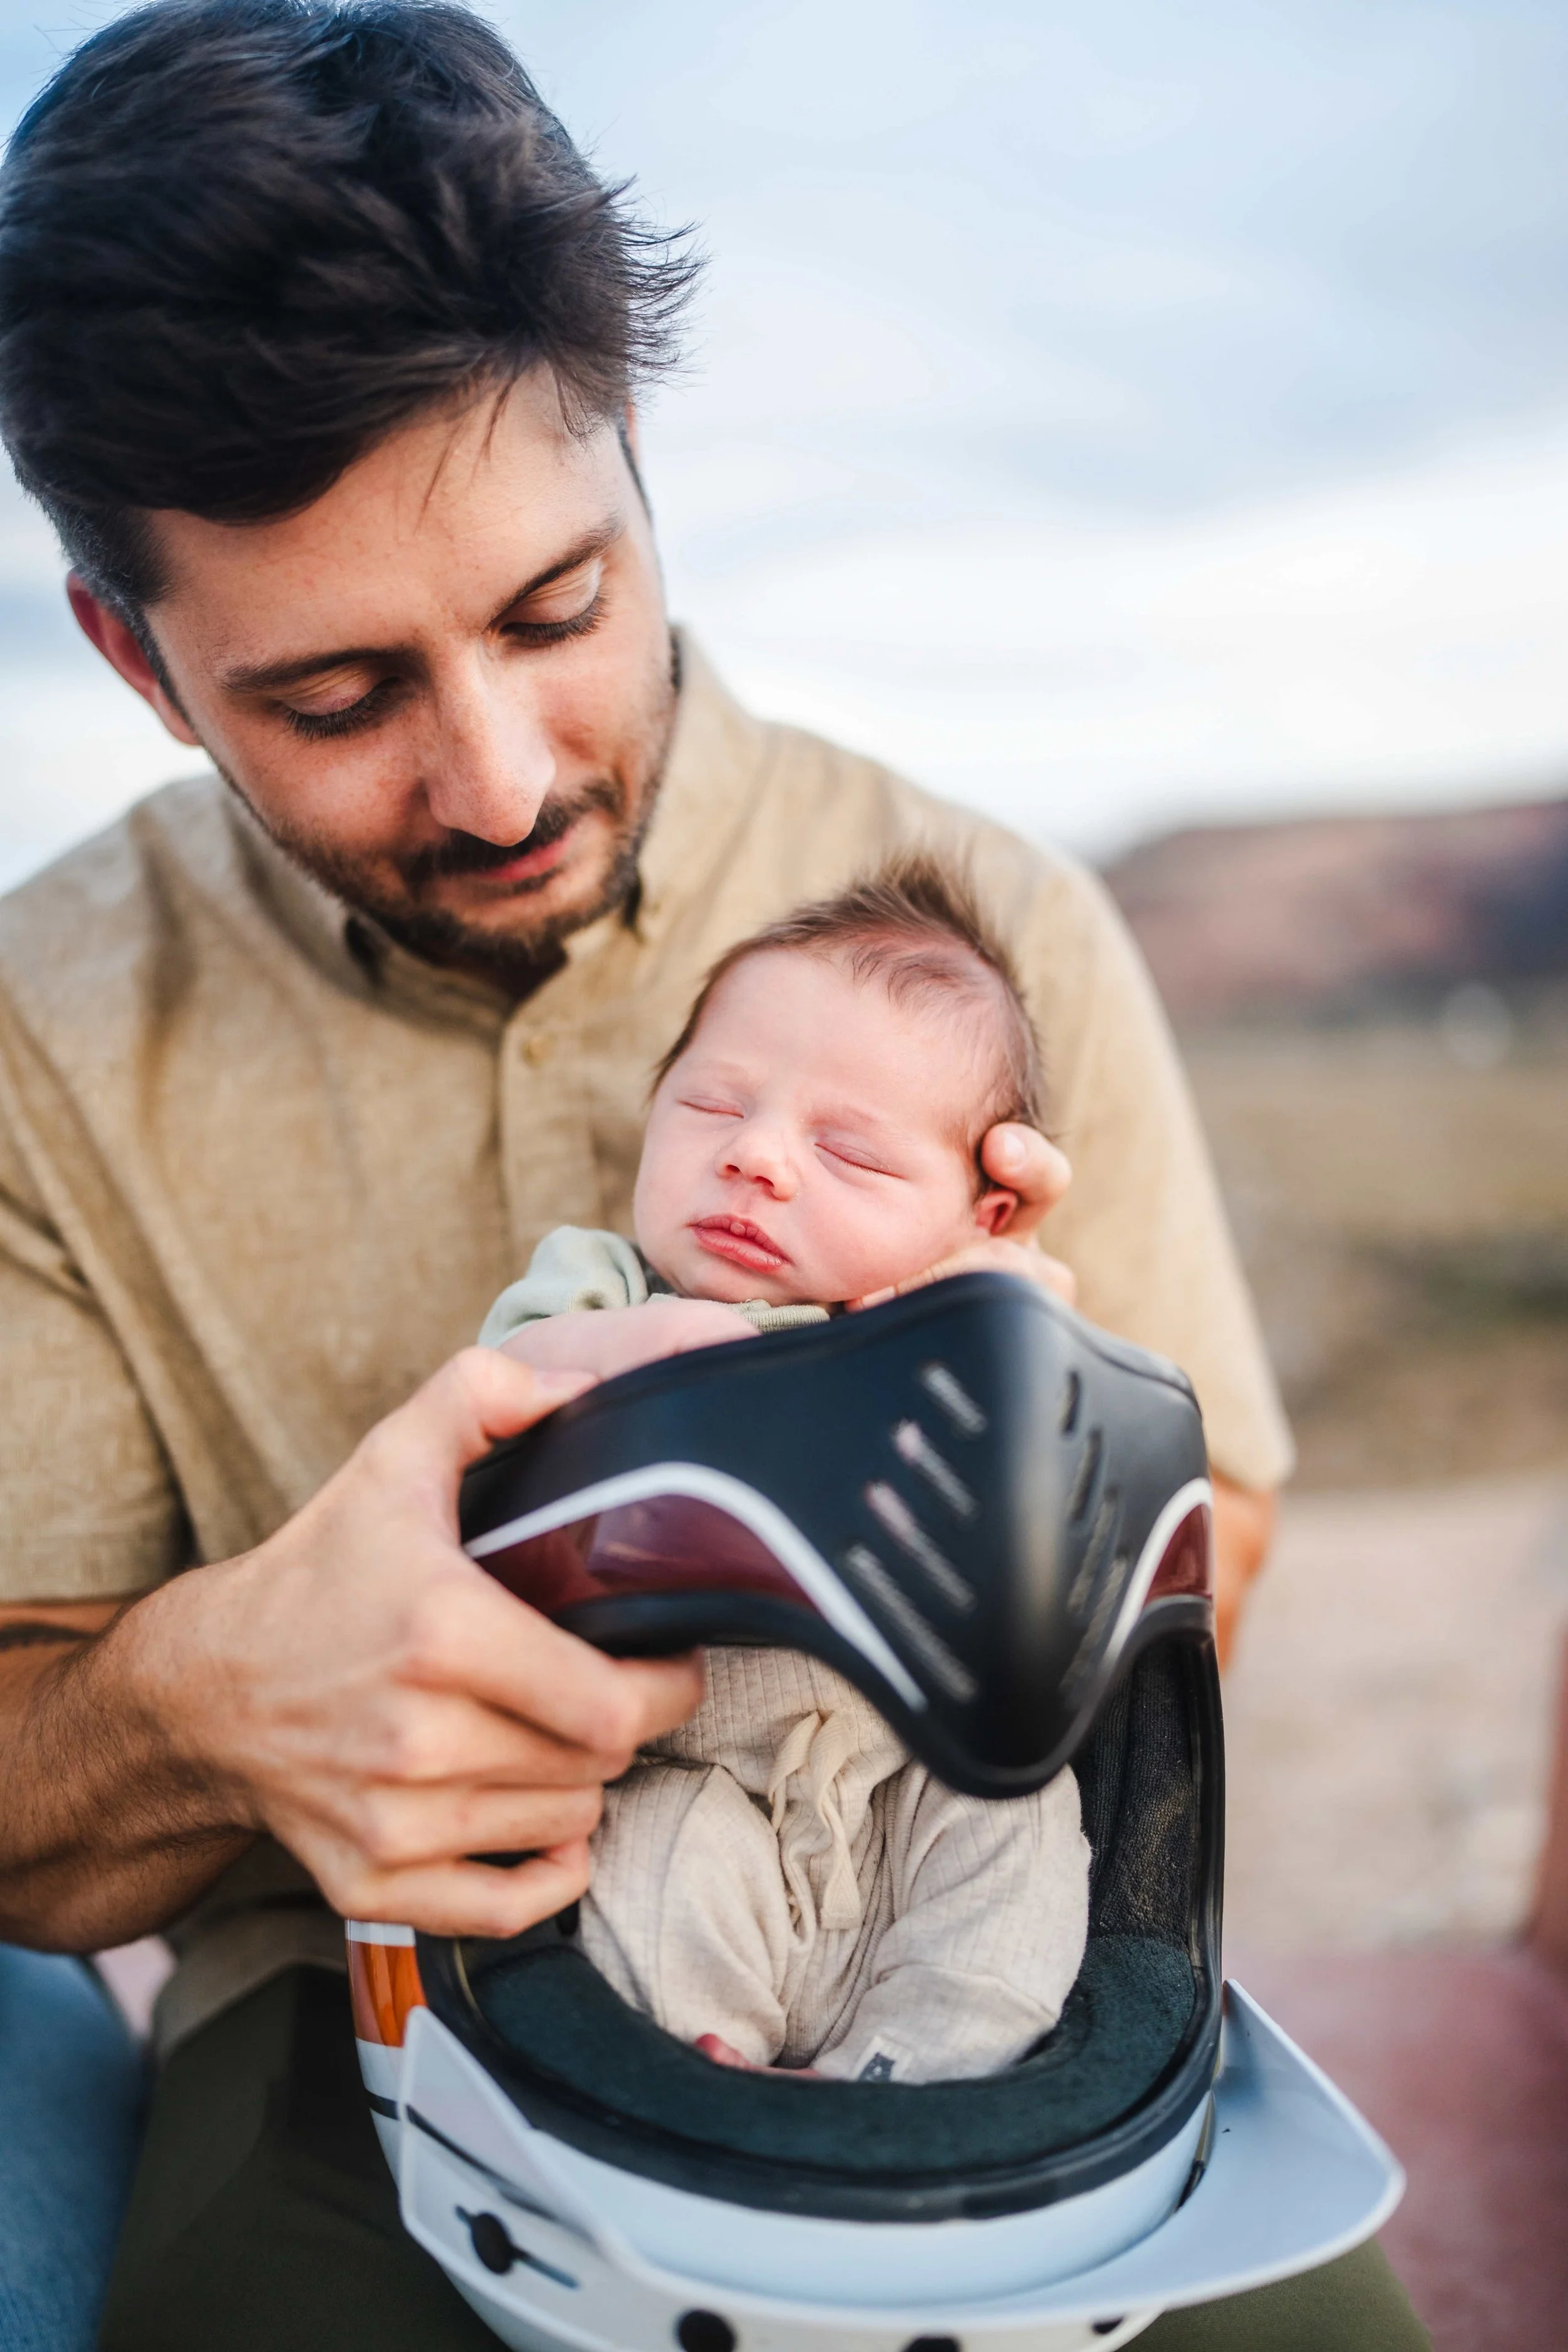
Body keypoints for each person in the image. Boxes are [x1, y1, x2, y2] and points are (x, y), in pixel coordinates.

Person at [0, 3, 1424, 2347]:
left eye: (557, 613)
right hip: (347, 2009)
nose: (495, 779)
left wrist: (1017, 1465)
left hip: (996, 1949)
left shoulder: (1007, 915)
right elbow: (31, 1787)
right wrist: (206, 1701)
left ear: (638, 458)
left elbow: (1222, 1555)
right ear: (134, 661)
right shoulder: (36, 1044)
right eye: (335, 697)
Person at [484, 859, 1092, 2085]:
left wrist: (1008, 1363)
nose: (755, 1157)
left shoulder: (946, 1351)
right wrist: (651, 1357)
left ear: (977, 1217)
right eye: (711, 1106)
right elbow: (501, 1401)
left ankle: (915, 2082)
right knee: (649, 1857)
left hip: (893, 1790)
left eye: (853, 1155)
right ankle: (711, 2086)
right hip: (691, 1778)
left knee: (1022, 1820)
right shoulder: (601, 1287)